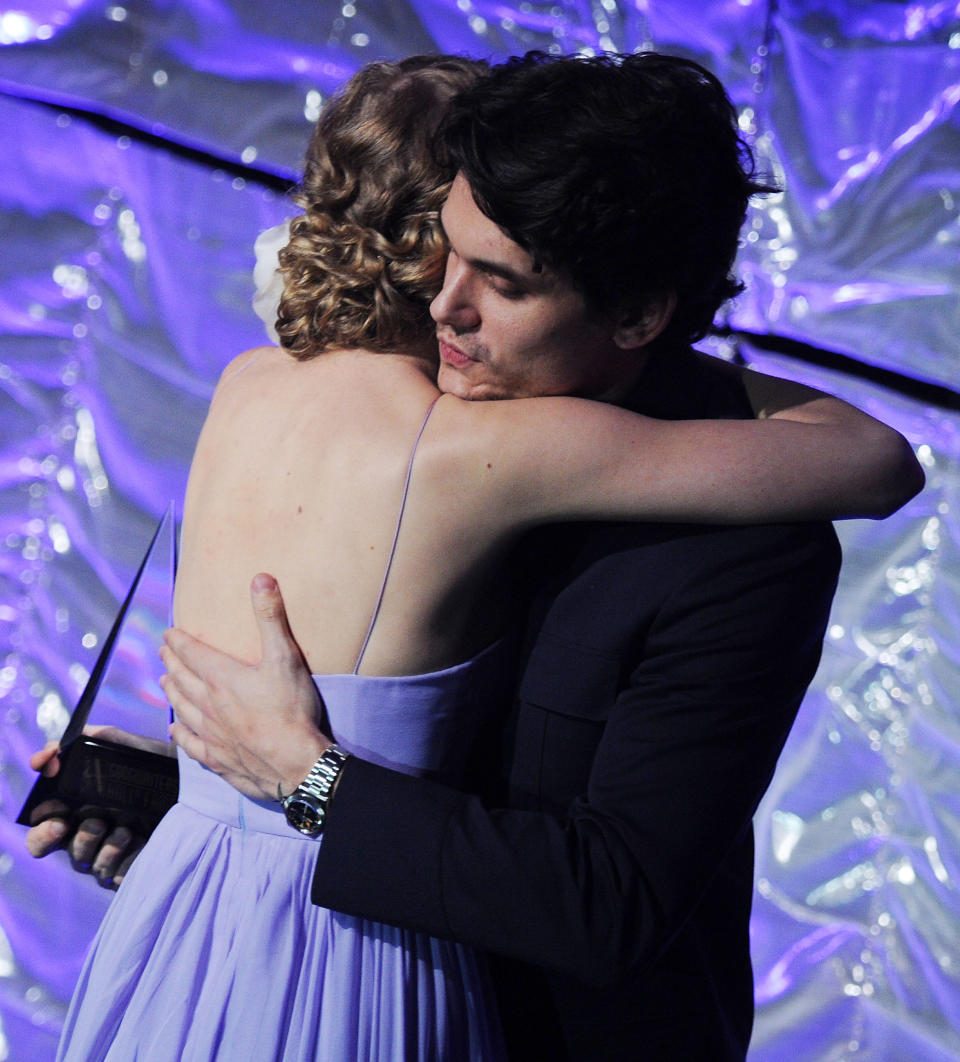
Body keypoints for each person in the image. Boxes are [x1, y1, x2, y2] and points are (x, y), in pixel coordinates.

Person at [27, 53, 922, 1062]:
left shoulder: (742, 545)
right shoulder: (439, 423)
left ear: (638, 314)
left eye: (500, 283)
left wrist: (307, 784)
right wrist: (214, 794)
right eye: (444, 254)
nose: (442, 307)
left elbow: (608, 903)